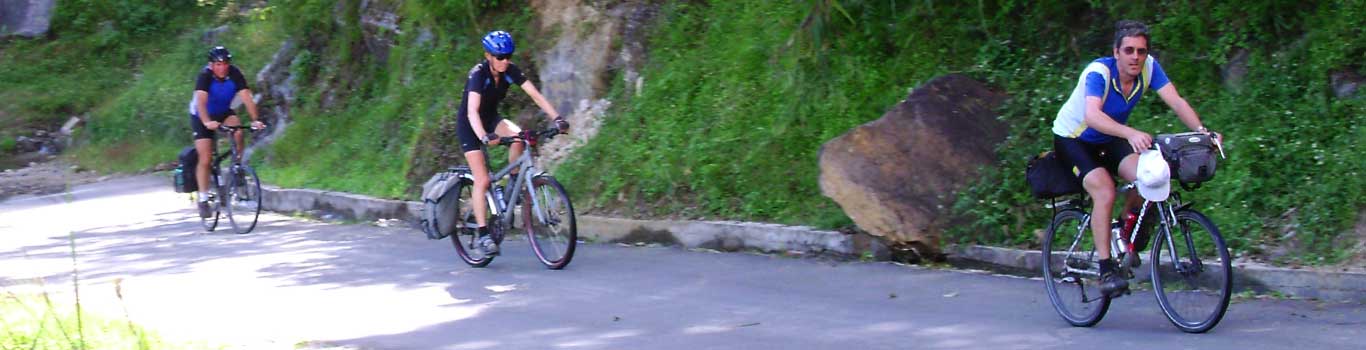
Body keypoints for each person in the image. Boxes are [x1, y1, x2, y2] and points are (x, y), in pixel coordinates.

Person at [1050, 20, 1222, 297]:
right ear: (1116, 52)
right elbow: (1093, 116)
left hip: (1109, 137)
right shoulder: (1099, 73)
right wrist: (1130, 133)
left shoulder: (1149, 68)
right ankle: (1106, 269)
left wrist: (1203, 133)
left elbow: (1176, 101)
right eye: (1129, 50)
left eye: (1141, 51)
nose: (1136, 57)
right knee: (1104, 190)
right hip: (1074, 139)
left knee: (1151, 175)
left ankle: (1125, 234)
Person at [456, 30, 568, 255]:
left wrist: (557, 118)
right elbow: (471, 111)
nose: (505, 61)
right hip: (471, 126)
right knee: (483, 179)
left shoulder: (510, 70)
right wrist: (484, 137)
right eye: (500, 57)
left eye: (508, 56)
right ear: (488, 56)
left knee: (520, 137)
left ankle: (513, 185)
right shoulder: (478, 74)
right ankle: (483, 233)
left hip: (491, 119)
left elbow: (535, 95)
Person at [189, 46, 265, 218]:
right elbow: (200, 103)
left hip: (223, 112)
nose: (222, 68)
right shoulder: (205, 76)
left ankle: (237, 168)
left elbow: (247, 97)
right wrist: (207, 122)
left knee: (238, 130)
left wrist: (255, 119)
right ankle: (202, 199)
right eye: (218, 64)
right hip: (201, 115)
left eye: (225, 64)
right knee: (206, 158)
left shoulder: (235, 73)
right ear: (211, 65)